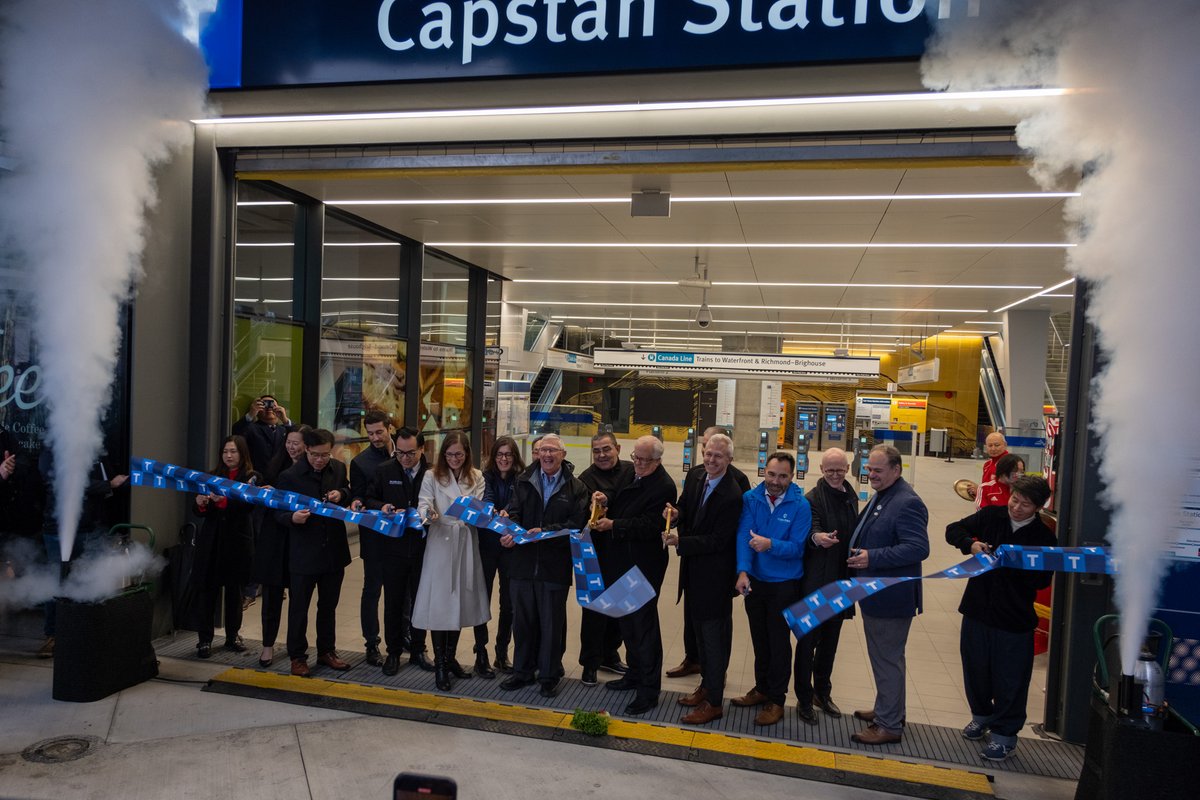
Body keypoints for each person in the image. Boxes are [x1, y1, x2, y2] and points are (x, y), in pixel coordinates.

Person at [946, 475, 1056, 761]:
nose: (1017, 508)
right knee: (976, 669)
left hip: (1014, 620)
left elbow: (1043, 579)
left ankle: (1004, 736)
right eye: (1015, 499)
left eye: (1026, 505)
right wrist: (970, 544)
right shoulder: (992, 516)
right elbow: (952, 530)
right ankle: (981, 716)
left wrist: (1012, 563)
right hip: (976, 610)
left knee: (1011, 679)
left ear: (1038, 508)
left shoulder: (1043, 537)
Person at [847, 445, 930, 746]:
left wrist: (873, 557)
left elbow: (919, 547)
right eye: (869, 469)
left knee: (887, 659)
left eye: (877, 470)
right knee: (887, 658)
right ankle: (889, 709)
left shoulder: (907, 502)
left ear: (896, 470)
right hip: (875, 594)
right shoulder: (886, 495)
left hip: (891, 597)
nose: (871, 475)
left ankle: (889, 725)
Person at [592, 435, 678, 716]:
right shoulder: (631, 471)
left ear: (658, 460)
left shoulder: (664, 486)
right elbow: (618, 494)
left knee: (643, 628)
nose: (638, 464)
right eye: (636, 457)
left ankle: (649, 690)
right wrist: (605, 498)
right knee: (627, 623)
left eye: (644, 460)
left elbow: (649, 525)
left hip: (643, 566)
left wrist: (614, 524)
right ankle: (634, 674)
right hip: (621, 562)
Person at [662, 433, 743, 725]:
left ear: (729, 460)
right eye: (708, 454)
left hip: (715, 578)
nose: (711, 460)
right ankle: (706, 686)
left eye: (718, 456)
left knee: (713, 641)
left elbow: (719, 541)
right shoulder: (698, 478)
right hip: (694, 574)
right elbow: (685, 506)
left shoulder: (732, 494)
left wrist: (679, 541)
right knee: (699, 635)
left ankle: (714, 702)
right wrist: (675, 512)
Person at [500, 433, 589, 698]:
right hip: (523, 566)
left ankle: (549, 676)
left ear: (563, 454)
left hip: (554, 567)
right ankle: (522, 671)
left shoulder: (576, 487)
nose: (547, 455)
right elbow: (513, 512)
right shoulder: (523, 481)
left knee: (552, 624)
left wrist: (546, 531)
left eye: (553, 450)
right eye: (543, 450)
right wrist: (509, 531)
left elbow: (576, 524)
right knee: (523, 622)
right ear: (537, 454)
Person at [730, 451, 810, 727]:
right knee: (760, 640)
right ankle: (761, 688)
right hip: (755, 582)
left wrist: (771, 545)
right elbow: (743, 534)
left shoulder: (800, 505)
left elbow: (798, 548)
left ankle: (776, 699)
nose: (775, 481)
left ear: (791, 476)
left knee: (778, 644)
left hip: (784, 585)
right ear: (764, 470)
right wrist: (743, 571)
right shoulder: (751, 499)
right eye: (771, 474)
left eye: (782, 476)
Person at [354, 426, 432, 676]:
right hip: (393, 548)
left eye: (411, 453)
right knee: (394, 602)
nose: (405, 458)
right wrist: (383, 506)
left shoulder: (432, 474)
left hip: (424, 549)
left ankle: (419, 648)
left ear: (422, 449)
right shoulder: (385, 470)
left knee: (421, 601)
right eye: (400, 453)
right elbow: (369, 499)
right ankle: (394, 652)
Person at [37, 448, 129, 659]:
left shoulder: (96, 450)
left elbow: (111, 478)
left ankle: (89, 634)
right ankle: (53, 635)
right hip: (58, 529)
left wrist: (120, 482)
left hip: (93, 527)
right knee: (57, 582)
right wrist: (107, 485)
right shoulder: (52, 449)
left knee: (92, 582)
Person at [415, 431, 488, 692]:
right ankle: (440, 665)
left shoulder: (477, 476)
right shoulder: (431, 475)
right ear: (443, 454)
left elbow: (477, 508)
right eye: (449, 454)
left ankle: (451, 657)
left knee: (460, 603)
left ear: (467, 454)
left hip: (465, 540)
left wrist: (473, 514)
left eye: (459, 454)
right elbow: (422, 504)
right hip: (440, 541)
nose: (454, 458)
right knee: (440, 603)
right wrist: (429, 513)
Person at [275, 428, 352, 678]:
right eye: (316, 455)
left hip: (333, 551)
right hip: (304, 554)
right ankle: (297, 656)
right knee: (299, 608)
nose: (321, 460)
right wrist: (292, 518)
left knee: (328, 606)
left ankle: (326, 651)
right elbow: (276, 512)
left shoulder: (338, 469)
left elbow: (348, 492)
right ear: (306, 450)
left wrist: (341, 494)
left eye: (326, 455)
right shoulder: (289, 477)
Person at [795, 448, 860, 724]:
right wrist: (818, 537)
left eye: (840, 469)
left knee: (830, 643)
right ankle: (804, 698)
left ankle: (823, 692)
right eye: (830, 470)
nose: (835, 474)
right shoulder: (811, 499)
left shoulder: (850, 496)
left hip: (841, 581)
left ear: (847, 468)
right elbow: (812, 531)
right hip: (816, 582)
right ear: (821, 469)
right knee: (807, 643)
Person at [191, 435, 260, 658]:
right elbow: (200, 511)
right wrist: (200, 504)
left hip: (237, 542)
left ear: (242, 453)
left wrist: (223, 502)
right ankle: (204, 640)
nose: (229, 456)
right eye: (225, 452)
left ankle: (232, 636)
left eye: (233, 451)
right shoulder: (211, 476)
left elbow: (248, 506)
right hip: (212, 541)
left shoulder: (251, 477)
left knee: (234, 592)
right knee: (207, 591)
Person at [576, 431, 632, 684]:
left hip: (624, 551)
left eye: (606, 449)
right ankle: (590, 662)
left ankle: (610, 654)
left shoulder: (631, 471)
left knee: (619, 609)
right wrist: (593, 506)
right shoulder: (586, 479)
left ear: (618, 448)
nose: (601, 455)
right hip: (595, 554)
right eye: (596, 450)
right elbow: (582, 516)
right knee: (594, 612)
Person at [254, 425, 310, 667]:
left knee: (299, 598)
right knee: (272, 594)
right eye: (288, 442)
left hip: (299, 538)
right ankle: (267, 645)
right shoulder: (275, 466)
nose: (291, 447)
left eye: (296, 443)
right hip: (274, 537)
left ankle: (295, 647)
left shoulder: (312, 469)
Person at [349, 410, 394, 667]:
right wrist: (356, 502)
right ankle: (372, 643)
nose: (375, 437)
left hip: (401, 537)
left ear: (390, 428)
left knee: (402, 591)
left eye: (379, 432)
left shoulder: (406, 453)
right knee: (372, 590)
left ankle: (402, 635)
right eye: (370, 433)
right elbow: (357, 495)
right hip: (374, 538)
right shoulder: (360, 463)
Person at [478, 435, 526, 675]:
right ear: (493, 457)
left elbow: (519, 504)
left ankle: (501, 653)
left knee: (508, 604)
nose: (504, 459)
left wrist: (508, 512)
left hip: (511, 548)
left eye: (508, 454)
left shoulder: (522, 478)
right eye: (499, 454)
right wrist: (493, 511)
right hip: (487, 546)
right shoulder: (485, 477)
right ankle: (481, 653)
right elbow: (485, 499)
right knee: (482, 601)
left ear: (514, 457)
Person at [232, 395, 293, 484]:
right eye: (264, 405)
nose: (269, 408)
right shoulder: (251, 428)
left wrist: (285, 420)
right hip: (257, 479)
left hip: (280, 480)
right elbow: (237, 433)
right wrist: (251, 414)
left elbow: (300, 437)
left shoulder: (285, 429)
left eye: (272, 405)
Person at [969, 432, 1009, 501]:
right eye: (990, 445)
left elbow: (1003, 491)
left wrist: (979, 491)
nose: (993, 449)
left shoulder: (1009, 463)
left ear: (1005, 445)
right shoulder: (987, 464)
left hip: (1001, 508)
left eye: (997, 445)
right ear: (986, 447)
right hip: (988, 506)